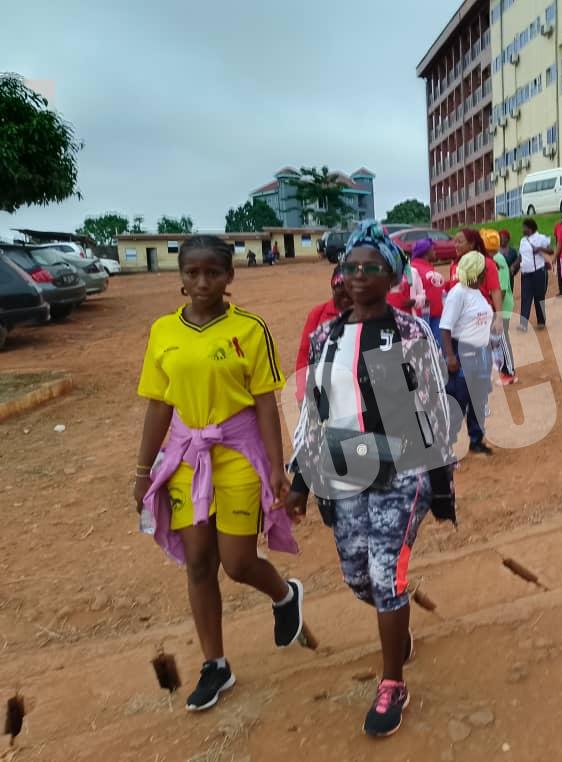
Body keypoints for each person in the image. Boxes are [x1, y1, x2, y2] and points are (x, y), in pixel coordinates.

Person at [286, 221, 456, 739]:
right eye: (351, 268)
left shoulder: (406, 333)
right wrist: (299, 477)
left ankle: (392, 682)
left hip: (399, 471)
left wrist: (441, 482)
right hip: (344, 469)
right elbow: (315, 411)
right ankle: (396, 628)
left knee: (386, 578)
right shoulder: (325, 335)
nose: (358, 277)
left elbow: (430, 412)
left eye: (371, 268)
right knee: (357, 576)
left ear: (392, 276)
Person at [134, 235, 303, 713]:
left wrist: (276, 465)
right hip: (187, 456)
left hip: (237, 452)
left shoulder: (249, 330)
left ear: (230, 277)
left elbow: (267, 402)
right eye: (193, 273)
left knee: (237, 561)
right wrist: (143, 471)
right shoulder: (163, 331)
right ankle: (216, 665)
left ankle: (285, 594)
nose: (202, 282)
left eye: (213, 273)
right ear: (180, 278)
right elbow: (159, 404)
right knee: (200, 563)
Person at [441, 251, 495, 456]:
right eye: (484, 270)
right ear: (478, 273)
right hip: (462, 354)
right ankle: (445, 448)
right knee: (457, 401)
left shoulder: (477, 292)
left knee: (478, 400)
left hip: (481, 355)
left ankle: (476, 440)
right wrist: (451, 357)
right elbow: (445, 328)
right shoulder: (458, 293)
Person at [295, 264, 353, 403]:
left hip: (354, 393)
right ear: (333, 288)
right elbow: (304, 353)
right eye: (340, 286)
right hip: (322, 392)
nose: (345, 291)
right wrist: (302, 393)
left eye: (350, 287)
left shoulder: (365, 315)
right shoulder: (318, 314)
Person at [490, 230, 518, 386]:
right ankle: (504, 370)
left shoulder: (498, 259)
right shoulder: (495, 257)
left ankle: (510, 372)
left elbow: (500, 289)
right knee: (499, 340)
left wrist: (496, 311)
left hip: (502, 305)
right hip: (498, 304)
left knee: (503, 339)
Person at [517, 217, 552, 331]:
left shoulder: (540, 238)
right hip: (526, 273)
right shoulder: (523, 241)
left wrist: (540, 249)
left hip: (538, 272)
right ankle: (523, 324)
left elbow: (551, 251)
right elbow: (520, 256)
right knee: (525, 298)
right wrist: (514, 267)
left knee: (539, 297)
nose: (523, 229)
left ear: (530, 228)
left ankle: (541, 321)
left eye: (525, 227)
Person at [410, 238, 446, 341]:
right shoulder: (414, 269)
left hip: (436, 315)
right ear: (425, 252)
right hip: (423, 317)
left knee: (436, 347)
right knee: (427, 347)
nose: (435, 251)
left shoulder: (428, 267)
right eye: (433, 249)